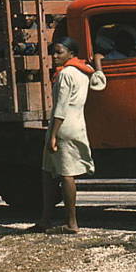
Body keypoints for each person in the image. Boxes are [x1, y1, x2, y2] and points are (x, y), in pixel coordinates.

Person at [32, 37, 107, 234]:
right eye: (54, 52)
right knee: (47, 172)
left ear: (71, 54)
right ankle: (45, 220)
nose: (55, 56)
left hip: (62, 127)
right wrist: (98, 63)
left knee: (65, 174)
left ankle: (71, 223)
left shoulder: (65, 74)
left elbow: (60, 107)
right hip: (76, 124)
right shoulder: (84, 72)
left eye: (59, 52)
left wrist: (53, 135)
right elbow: (99, 83)